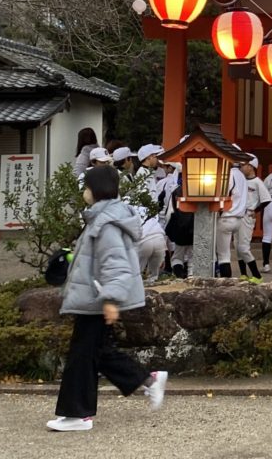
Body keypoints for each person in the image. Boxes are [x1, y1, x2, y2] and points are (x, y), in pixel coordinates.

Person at [46, 166, 167, 432]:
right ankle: (148, 380)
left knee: (82, 356)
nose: (84, 192)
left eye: (86, 187)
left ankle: (77, 415)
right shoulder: (102, 218)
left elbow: (116, 265)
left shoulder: (106, 222)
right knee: (97, 353)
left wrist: (110, 299)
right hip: (95, 297)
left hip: (97, 299)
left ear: (96, 189)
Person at [237, 154, 270, 280]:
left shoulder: (257, 182)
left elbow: (266, 199)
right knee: (237, 245)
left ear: (251, 167)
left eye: (243, 165)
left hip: (247, 215)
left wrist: (255, 210)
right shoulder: (240, 180)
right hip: (238, 213)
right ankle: (243, 274)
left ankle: (257, 275)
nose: (241, 167)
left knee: (243, 247)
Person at [215, 159, 249, 279]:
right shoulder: (242, 175)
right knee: (226, 252)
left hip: (226, 217)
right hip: (238, 218)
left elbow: (223, 194)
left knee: (223, 255)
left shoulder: (228, 175)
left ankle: (225, 281)